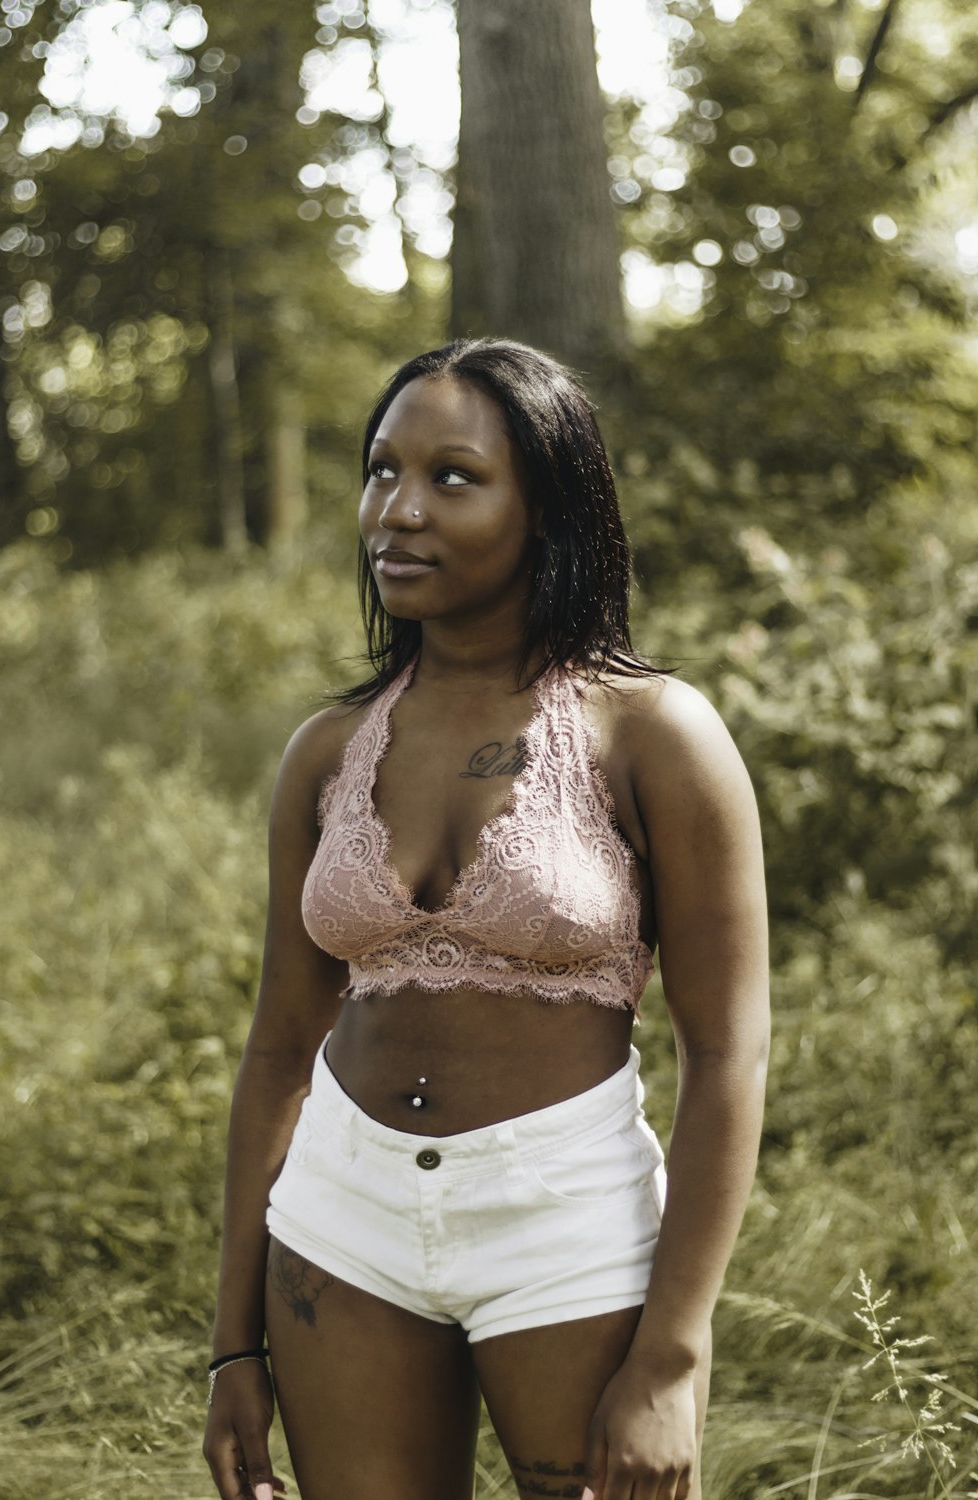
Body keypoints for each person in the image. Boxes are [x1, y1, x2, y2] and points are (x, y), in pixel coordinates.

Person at [202, 339, 770, 1500]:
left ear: (546, 503)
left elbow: (726, 1052)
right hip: (338, 1219)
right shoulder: (327, 752)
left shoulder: (653, 734)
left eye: (453, 477)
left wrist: (671, 1351)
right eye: (380, 471)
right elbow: (277, 1048)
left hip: (564, 1220)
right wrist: (232, 1344)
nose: (396, 512)